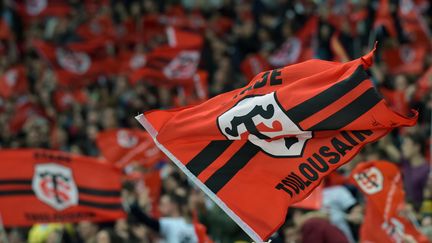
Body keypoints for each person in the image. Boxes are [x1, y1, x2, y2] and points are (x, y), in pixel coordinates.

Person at [129, 193, 198, 243]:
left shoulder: (170, 223)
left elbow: (147, 221)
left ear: (174, 205)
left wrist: (135, 205)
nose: (159, 207)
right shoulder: (191, 225)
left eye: (164, 204)